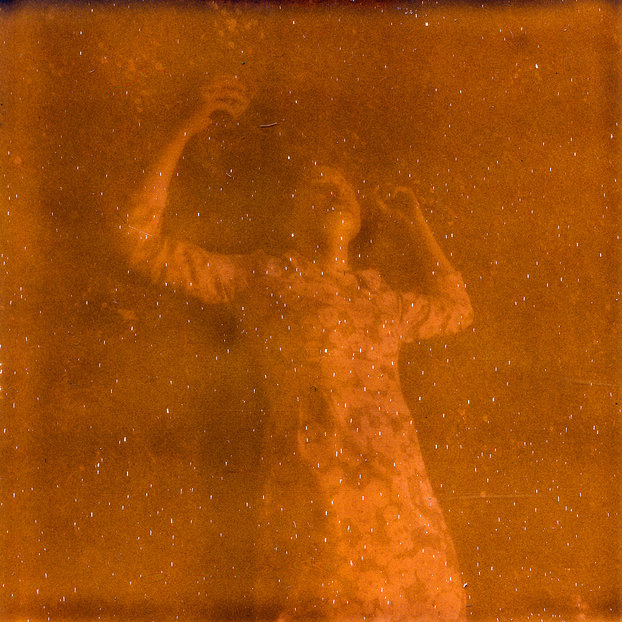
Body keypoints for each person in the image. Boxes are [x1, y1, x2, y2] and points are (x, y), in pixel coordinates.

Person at [122, 77, 473, 621]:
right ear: (286, 213)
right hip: (318, 491)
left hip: (400, 494)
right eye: (316, 185)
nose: (335, 191)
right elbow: (139, 243)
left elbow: (458, 309)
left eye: (344, 187)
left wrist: (416, 227)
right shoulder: (262, 278)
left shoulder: (380, 297)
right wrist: (185, 131)